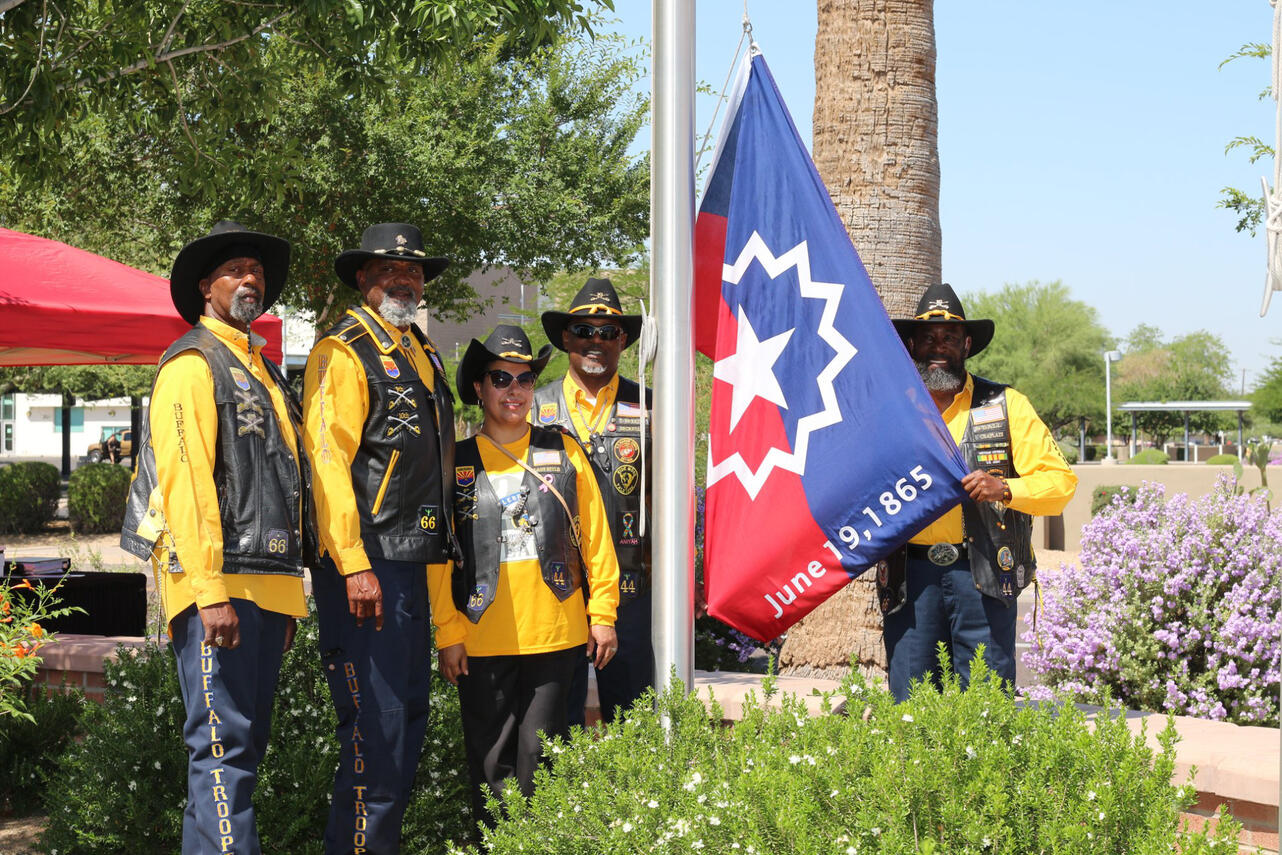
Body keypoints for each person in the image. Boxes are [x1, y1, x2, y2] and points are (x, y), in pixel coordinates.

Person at [120, 220, 308, 854]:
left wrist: (285, 593)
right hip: (214, 591)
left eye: (256, 270)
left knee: (237, 754)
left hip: (265, 587)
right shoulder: (192, 362)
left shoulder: (266, 371)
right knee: (223, 754)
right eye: (234, 270)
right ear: (206, 288)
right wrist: (209, 593)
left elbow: (285, 484)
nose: (249, 278)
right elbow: (188, 485)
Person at [302, 223, 458, 855]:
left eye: (415, 271)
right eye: (389, 270)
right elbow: (326, 462)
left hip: (413, 567)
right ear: (362, 279)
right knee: (375, 738)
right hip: (367, 573)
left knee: (403, 735)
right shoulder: (342, 352)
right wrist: (352, 562)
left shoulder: (421, 350)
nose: (404, 280)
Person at [438, 324, 620, 825]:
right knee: (490, 767)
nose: (513, 390)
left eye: (523, 379)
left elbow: (597, 539)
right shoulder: (456, 463)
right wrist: (448, 632)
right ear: (479, 388)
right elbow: (439, 558)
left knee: (545, 764)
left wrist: (602, 614)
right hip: (480, 636)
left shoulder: (564, 452)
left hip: (557, 634)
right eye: (500, 378)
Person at [879, 282, 1077, 702]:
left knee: (987, 707)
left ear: (967, 343)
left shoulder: (1007, 404)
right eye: (928, 337)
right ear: (911, 344)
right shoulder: (890, 409)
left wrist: (1003, 488)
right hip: (909, 579)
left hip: (984, 574)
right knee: (911, 705)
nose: (938, 346)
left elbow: (1060, 484)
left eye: (949, 337)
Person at [532, 277, 652, 726]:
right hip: (552, 587)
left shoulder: (652, 407)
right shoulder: (531, 407)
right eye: (584, 331)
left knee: (634, 719)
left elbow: (672, 500)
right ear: (566, 337)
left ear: (623, 339)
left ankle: (633, 799)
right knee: (552, 719)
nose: (595, 342)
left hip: (630, 588)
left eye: (608, 332)